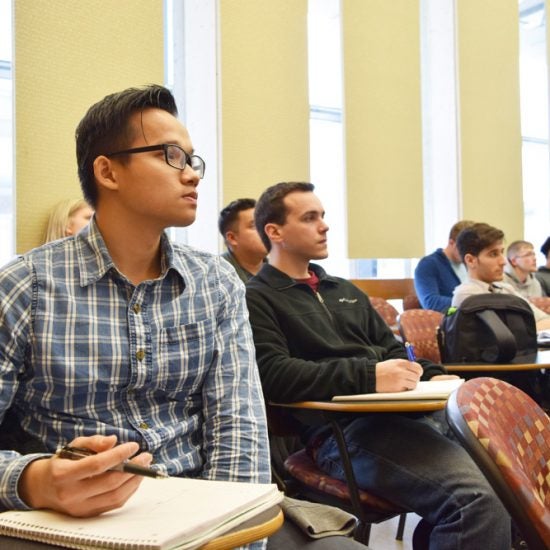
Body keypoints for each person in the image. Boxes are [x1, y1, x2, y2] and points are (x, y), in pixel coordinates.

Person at [0, 87, 365, 550]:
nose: (192, 174)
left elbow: (238, 427)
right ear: (107, 171)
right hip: (75, 524)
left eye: (194, 160)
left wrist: (231, 538)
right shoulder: (24, 286)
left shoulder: (216, 283)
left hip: (210, 509)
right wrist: (32, 479)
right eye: (172, 156)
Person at [246, 181, 511, 549]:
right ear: (274, 232)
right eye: (310, 218)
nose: (324, 225)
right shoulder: (256, 298)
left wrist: (438, 376)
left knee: (515, 483)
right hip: (344, 433)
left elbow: (394, 350)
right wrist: (369, 375)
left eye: (322, 215)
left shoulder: (344, 291)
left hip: (409, 417)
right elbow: (275, 376)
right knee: (477, 503)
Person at [452, 223, 550, 330]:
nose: (503, 261)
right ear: (470, 260)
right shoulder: (466, 295)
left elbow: (543, 319)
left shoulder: (505, 288)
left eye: (501, 252)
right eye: (493, 254)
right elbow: (506, 334)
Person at [414, 220, 474, 312]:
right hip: (447, 320)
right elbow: (431, 303)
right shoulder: (428, 264)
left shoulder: (470, 264)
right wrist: (469, 303)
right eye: (464, 248)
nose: (468, 253)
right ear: (451, 243)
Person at [218, 198, 267, 282]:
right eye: (254, 225)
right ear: (232, 238)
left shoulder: (279, 269)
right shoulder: (216, 276)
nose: (266, 230)